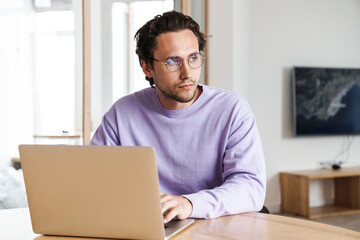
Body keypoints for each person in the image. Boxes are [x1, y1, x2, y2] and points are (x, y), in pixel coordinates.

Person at [90, 10, 266, 223]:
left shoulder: (232, 109)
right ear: (147, 67)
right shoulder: (122, 113)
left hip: (215, 226)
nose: (187, 73)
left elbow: (250, 188)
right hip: (149, 226)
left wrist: (188, 204)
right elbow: (94, 181)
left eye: (193, 58)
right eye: (173, 61)